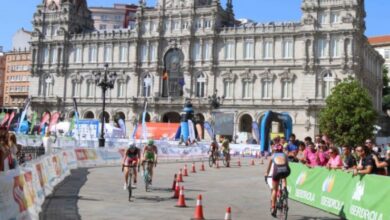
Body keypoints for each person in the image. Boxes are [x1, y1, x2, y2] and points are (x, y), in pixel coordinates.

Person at [264, 144, 290, 217]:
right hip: (286, 171)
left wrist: (266, 174)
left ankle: (273, 208)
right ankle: (285, 189)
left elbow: (268, 169)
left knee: (274, 190)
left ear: (274, 150)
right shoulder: (285, 155)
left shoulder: (272, 156)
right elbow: (287, 165)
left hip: (277, 171)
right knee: (284, 175)